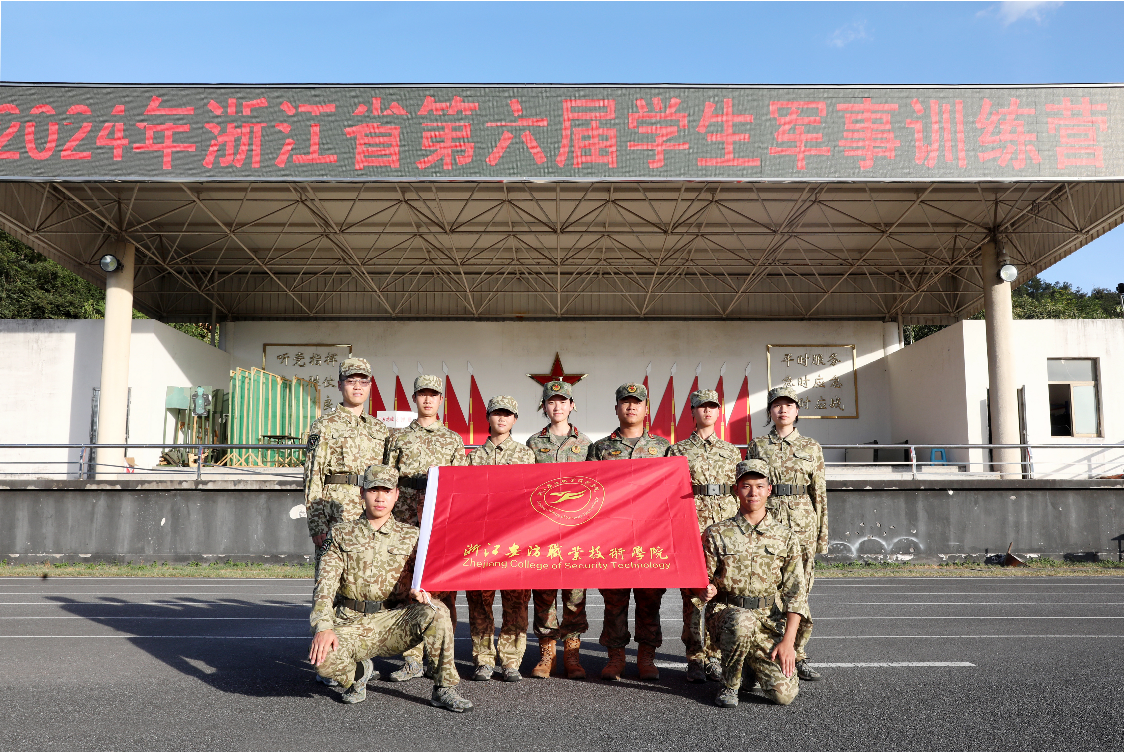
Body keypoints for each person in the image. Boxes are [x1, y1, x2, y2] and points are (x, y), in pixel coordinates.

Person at [308, 463, 473, 712]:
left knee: (437, 610)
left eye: (387, 491)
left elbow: (431, 580)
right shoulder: (340, 534)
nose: (380, 497)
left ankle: (444, 689)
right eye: (374, 490)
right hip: (351, 622)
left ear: (397, 494)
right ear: (362, 492)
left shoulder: (413, 536)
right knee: (323, 661)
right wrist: (324, 627)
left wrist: (427, 593)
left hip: (393, 622)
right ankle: (360, 671)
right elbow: (324, 585)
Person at [699, 459, 807, 708]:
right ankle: (729, 685)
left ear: (769, 489)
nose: (753, 492)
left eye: (760, 486)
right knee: (741, 621)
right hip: (726, 617)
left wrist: (788, 642)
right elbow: (700, 579)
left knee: (784, 695)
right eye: (746, 486)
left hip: (767, 621)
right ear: (736, 490)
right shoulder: (716, 533)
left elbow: (795, 593)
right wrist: (705, 588)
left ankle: (749, 664)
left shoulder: (785, 537)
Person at [382, 374, 466, 682]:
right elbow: (388, 481)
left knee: (443, 591)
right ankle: (412, 657)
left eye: (434, 395)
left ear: (441, 400)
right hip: (405, 519)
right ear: (414, 399)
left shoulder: (453, 440)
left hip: (439, 521)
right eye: (422, 394)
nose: (428, 399)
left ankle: (440, 657)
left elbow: (460, 486)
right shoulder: (399, 438)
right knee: (407, 587)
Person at [585, 382, 672, 681]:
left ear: (646, 409)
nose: (631, 407)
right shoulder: (600, 448)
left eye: (637, 403)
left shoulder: (663, 448)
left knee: (650, 598)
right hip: (614, 535)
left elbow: (671, 492)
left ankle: (646, 656)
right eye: (625, 402)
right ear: (617, 408)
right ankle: (615, 656)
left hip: (651, 534)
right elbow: (590, 494)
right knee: (615, 599)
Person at [746, 385, 828, 682]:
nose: (783, 410)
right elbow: (751, 486)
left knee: (800, 590)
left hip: (802, 520)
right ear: (770, 411)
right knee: (766, 586)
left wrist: (821, 535)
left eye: (789, 405)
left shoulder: (810, 446)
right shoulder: (758, 445)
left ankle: (798, 652)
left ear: (796, 410)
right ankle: (766, 649)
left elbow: (819, 491)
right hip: (769, 519)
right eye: (777, 405)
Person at [666, 388, 741, 683]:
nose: (707, 411)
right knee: (694, 596)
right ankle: (695, 657)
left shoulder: (731, 451)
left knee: (722, 591)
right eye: (701, 407)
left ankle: (716, 655)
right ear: (692, 413)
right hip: (692, 526)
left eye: (712, 407)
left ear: (718, 412)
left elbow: (740, 491)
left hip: (724, 528)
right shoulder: (677, 450)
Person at [464, 395, 537, 682]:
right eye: (497, 413)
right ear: (488, 417)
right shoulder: (471, 458)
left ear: (515, 419)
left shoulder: (525, 455)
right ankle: (483, 660)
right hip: (482, 540)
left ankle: (510, 661)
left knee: (515, 602)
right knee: (480, 602)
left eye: (508, 414)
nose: (502, 418)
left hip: (516, 540)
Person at [525, 380, 594, 680]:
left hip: (577, 530)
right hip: (543, 531)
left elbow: (597, 487)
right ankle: (547, 654)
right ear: (544, 406)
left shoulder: (587, 444)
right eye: (552, 402)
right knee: (544, 593)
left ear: (572, 405)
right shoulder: (532, 443)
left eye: (563, 401)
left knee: (575, 594)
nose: (557, 407)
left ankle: (573, 656)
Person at [304, 357, 390, 557]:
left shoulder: (379, 428)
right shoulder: (324, 425)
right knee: (332, 577)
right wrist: (317, 524)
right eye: (351, 381)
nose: (357, 387)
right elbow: (312, 476)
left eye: (363, 381)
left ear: (370, 385)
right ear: (340, 384)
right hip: (336, 512)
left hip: (372, 510)